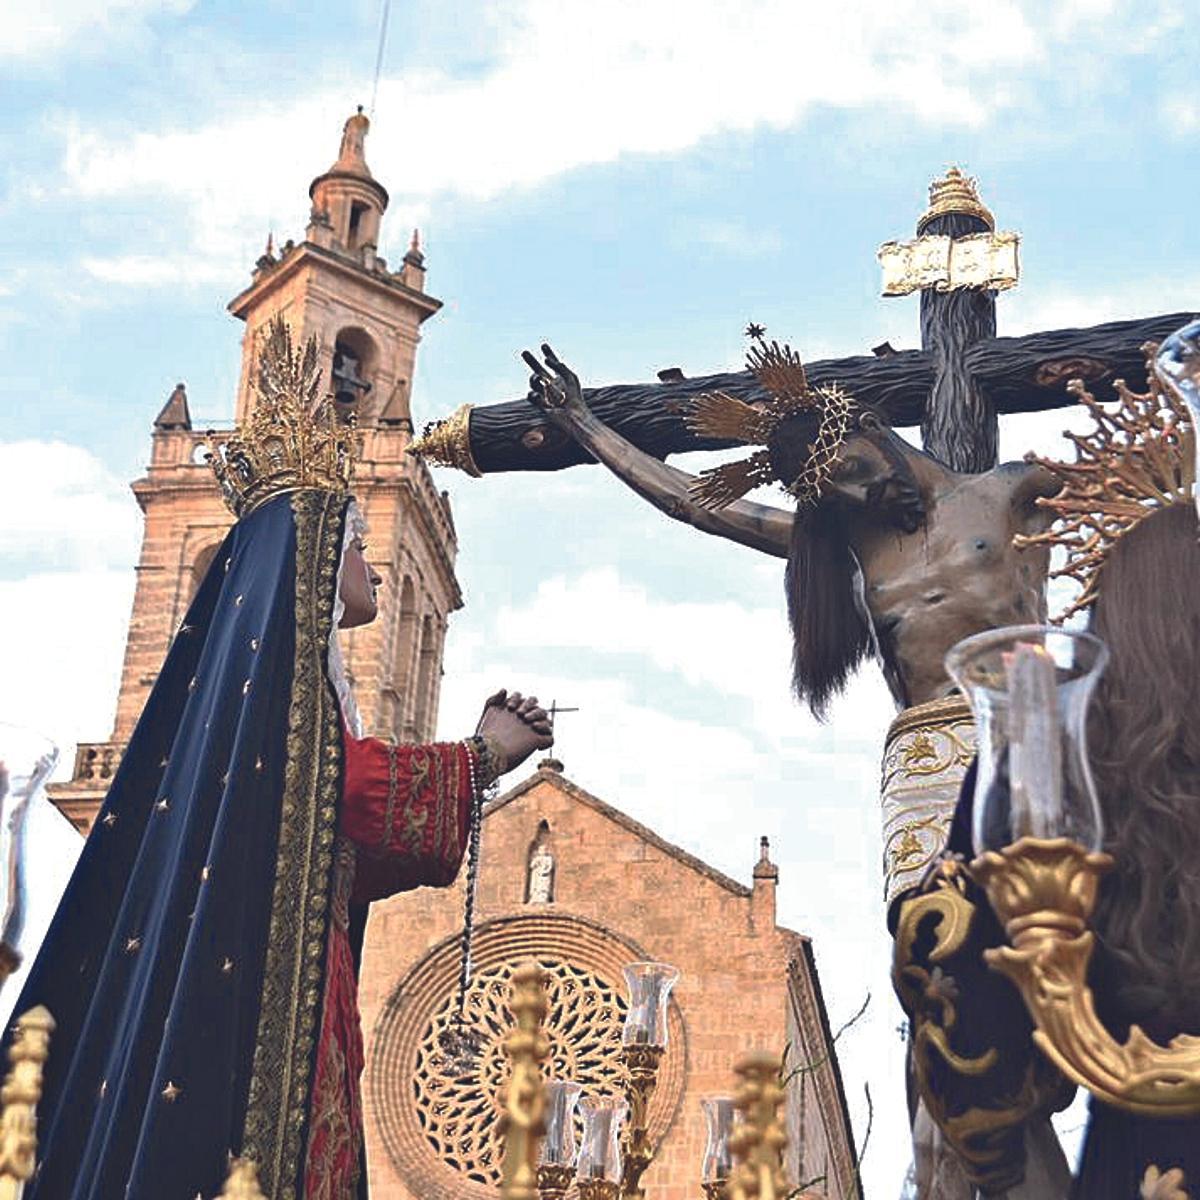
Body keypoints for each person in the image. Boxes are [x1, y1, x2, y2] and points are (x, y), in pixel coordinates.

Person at [5, 317, 553, 1200]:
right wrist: (480, 756)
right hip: (259, 1001)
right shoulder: (276, 708)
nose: (372, 559)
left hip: (302, 980)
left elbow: (328, 839)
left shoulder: (271, 707)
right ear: (307, 555)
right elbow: (344, 794)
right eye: (353, 541)